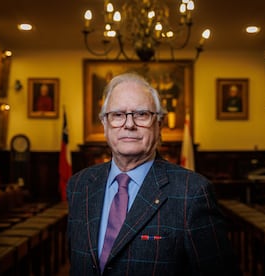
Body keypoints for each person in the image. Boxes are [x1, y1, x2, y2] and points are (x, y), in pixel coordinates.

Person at [67, 72, 241, 275]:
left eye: (141, 114)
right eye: (117, 115)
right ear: (105, 125)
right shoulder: (79, 185)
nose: (129, 124)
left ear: (159, 125)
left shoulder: (192, 192)